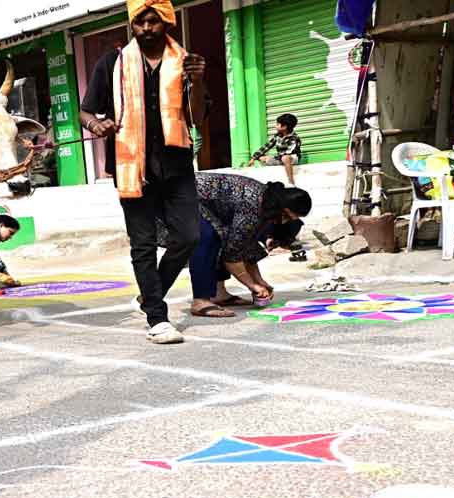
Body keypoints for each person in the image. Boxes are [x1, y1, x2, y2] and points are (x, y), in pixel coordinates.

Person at [80, 0, 207, 345]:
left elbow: (197, 117)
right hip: (130, 164)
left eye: (153, 21)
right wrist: (97, 123)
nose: (147, 28)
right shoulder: (112, 63)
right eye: (140, 22)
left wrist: (197, 82)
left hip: (176, 165)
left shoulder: (185, 62)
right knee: (144, 244)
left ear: (167, 23)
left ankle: (150, 294)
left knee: (189, 236)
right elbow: (86, 110)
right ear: (132, 26)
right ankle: (156, 316)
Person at [188, 173, 311, 311]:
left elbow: (245, 246)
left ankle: (218, 294)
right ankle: (200, 300)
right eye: (285, 216)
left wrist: (259, 281)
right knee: (208, 237)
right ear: (282, 208)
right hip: (183, 194)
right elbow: (232, 257)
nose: (283, 221)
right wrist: (252, 285)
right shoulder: (253, 207)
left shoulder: (267, 205)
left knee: (225, 237)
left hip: (203, 201)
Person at [249, 113, 302, 188]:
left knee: (285, 158)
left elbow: (288, 152)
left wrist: (275, 158)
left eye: (277, 124)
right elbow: (267, 146)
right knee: (261, 158)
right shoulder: (277, 135)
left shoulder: (294, 138)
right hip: (280, 158)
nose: (275, 126)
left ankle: (291, 182)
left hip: (292, 157)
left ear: (284, 127)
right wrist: (254, 158)